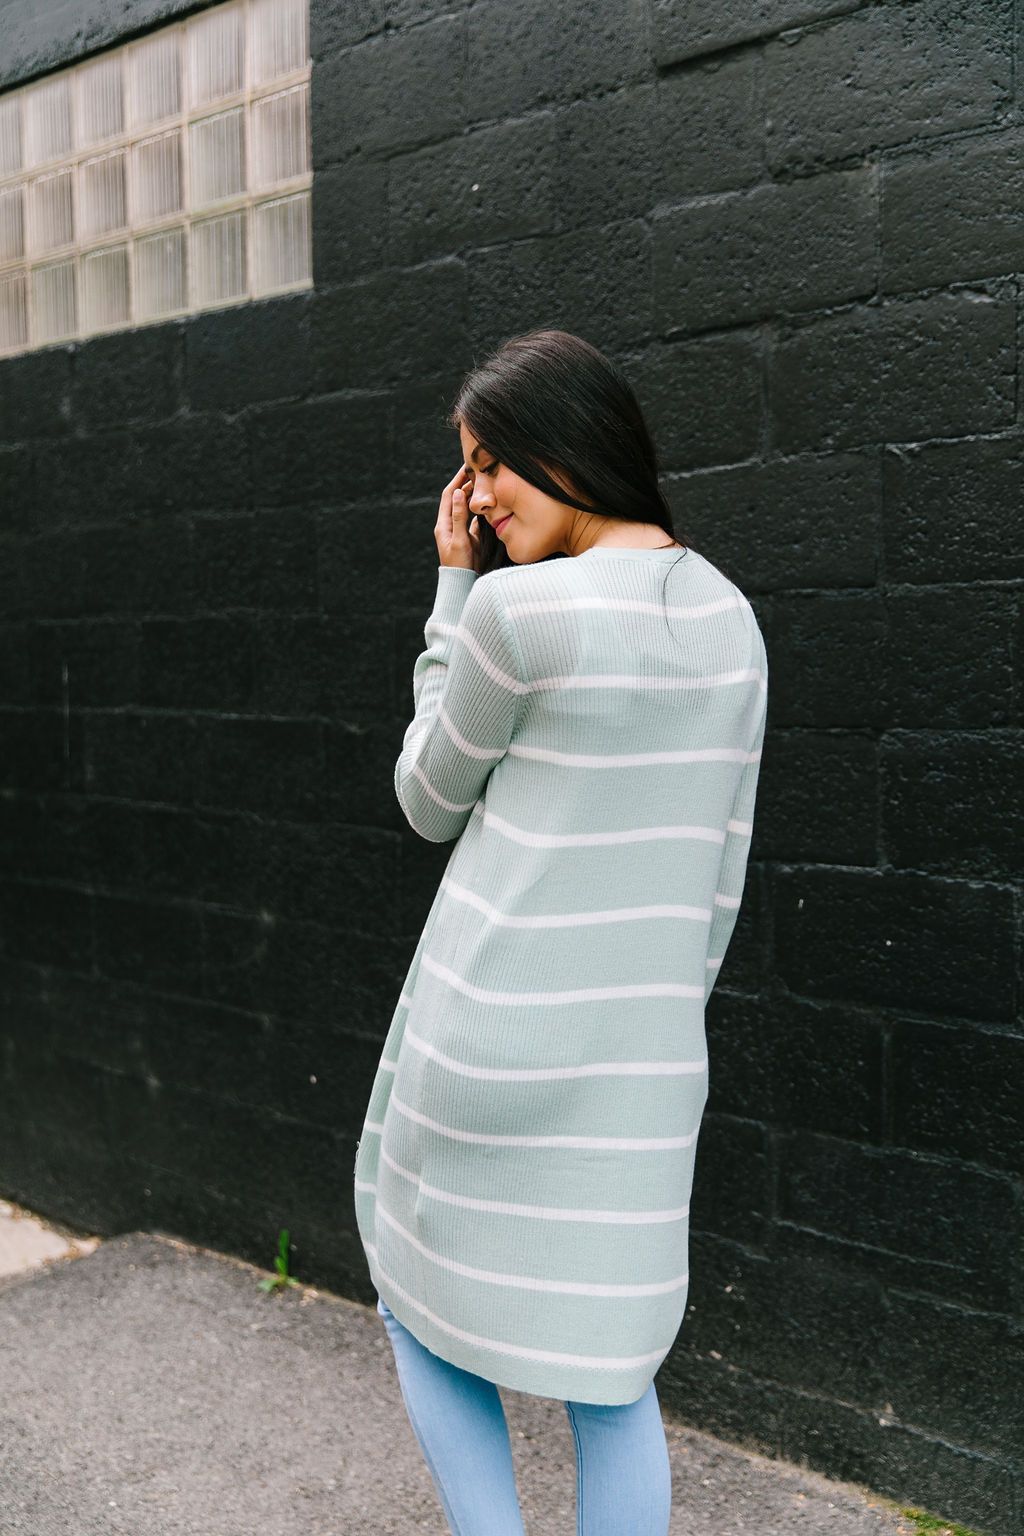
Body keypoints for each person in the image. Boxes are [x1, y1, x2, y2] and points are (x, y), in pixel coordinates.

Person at [353, 328, 769, 1535]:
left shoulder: (512, 614)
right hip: (638, 1064)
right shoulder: (732, 622)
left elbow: (425, 799)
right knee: (613, 1369)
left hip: (478, 1042)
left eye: (490, 465)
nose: (474, 500)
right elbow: (718, 872)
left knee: (415, 1300)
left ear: (567, 449)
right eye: (468, 473)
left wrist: (451, 596)